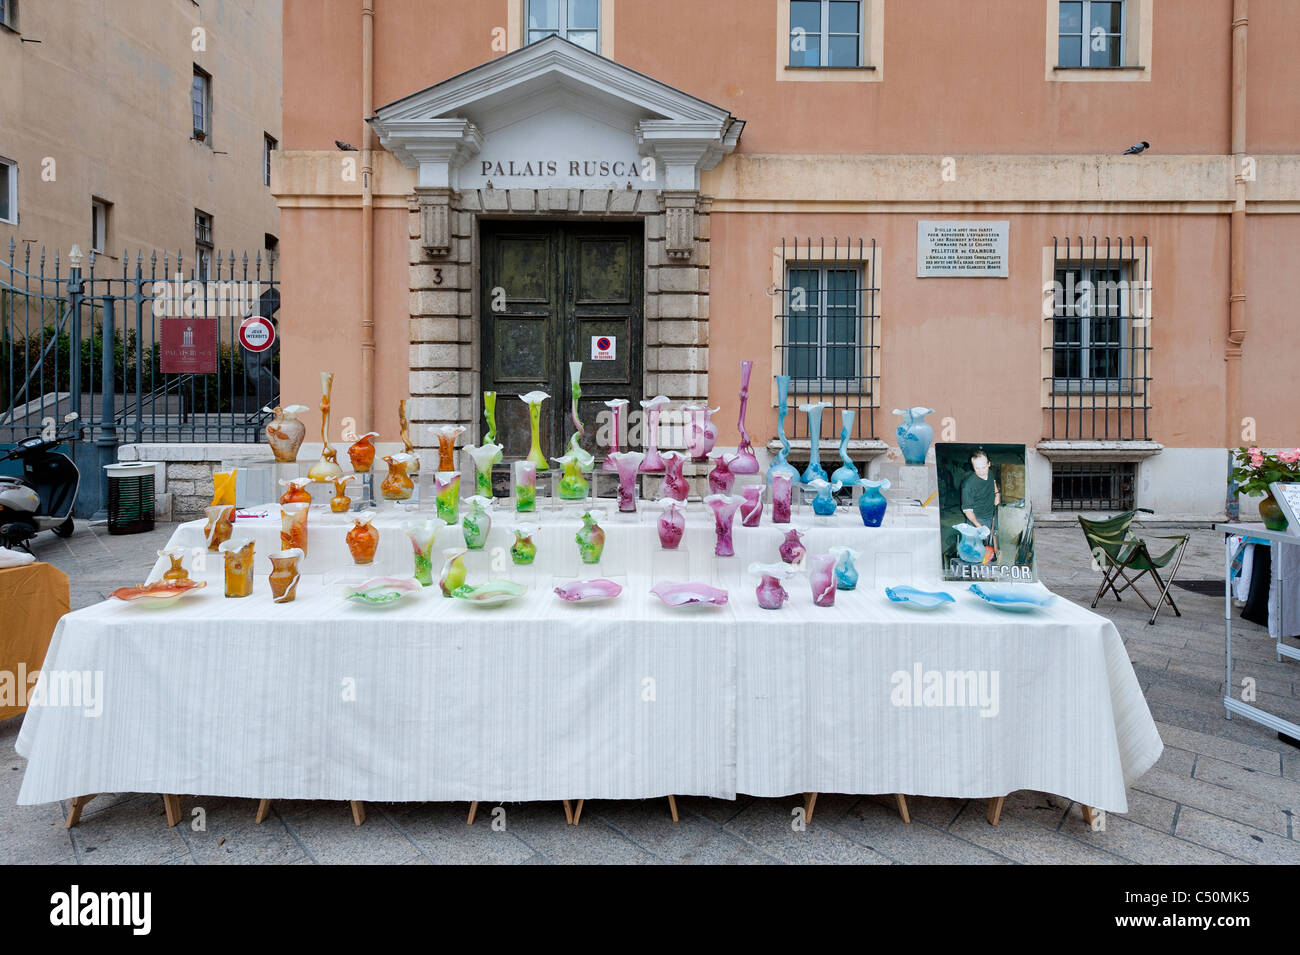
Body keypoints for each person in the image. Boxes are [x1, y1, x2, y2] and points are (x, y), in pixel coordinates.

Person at [960, 449, 1000, 561]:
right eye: (977, 468)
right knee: (975, 554)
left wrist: (997, 494)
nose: (981, 471)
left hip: (990, 513)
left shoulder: (990, 473)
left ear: (989, 464)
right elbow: (968, 510)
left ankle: (996, 555)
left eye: (984, 467)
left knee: (994, 534)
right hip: (976, 519)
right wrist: (978, 526)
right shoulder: (968, 485)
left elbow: (993, 483)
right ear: (973, 467)